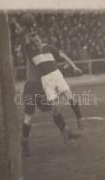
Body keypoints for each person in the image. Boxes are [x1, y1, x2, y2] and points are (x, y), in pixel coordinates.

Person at [11, 15, 80, 156]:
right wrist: (21, 24)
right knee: (28, 117)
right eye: (31, 34)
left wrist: (26, 26)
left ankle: (66, 131)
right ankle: (24, 141)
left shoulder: (39, 48)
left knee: (53, 110)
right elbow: (21, 34)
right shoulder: (27, 47)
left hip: (41, 87)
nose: (33, 36)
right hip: (31, 86)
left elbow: (26, 34)